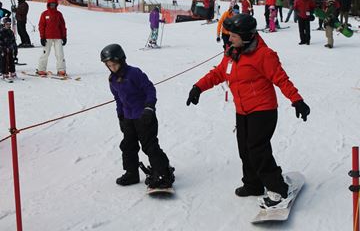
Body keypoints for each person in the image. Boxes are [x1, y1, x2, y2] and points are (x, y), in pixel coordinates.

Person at [186, 14, 310, 208]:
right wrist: (198, 88)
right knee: (244, 149)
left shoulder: (264, 55)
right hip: (242, 110)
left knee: (257, 149)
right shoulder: (232, 52)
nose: (229, 38)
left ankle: (278, 190)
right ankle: (253, 184)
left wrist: (297, 100)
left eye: (233, 35)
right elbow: (219, 73)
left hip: (263, 110)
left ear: (245, 36)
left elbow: (281, 79)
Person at [100, 43, 175, 189]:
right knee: (128, 146)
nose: (112, 67)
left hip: (144, 116)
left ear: (121, 60)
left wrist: (149, 108)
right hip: (128, 118)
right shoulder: (112, 80)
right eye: (109, 65)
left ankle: (163, 173)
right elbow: (118, 99)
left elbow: (150, 89)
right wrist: (120, 116)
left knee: (149, 146)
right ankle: (131, 173)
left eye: (114, 64)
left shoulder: (134, 73)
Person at [37, 0, 67, 77]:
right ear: (48, 5)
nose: (52, 5)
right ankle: (41, 69)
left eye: (54, 4)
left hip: (58, 37)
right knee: (45, 54)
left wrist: (64, 36)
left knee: (60, 54)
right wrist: (42, 37)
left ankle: (61, 70)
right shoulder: (44, 14)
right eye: (51, 4)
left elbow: (62, 26)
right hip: (47, 37)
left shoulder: (59, 14)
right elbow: (41, 26)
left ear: (56, 5)